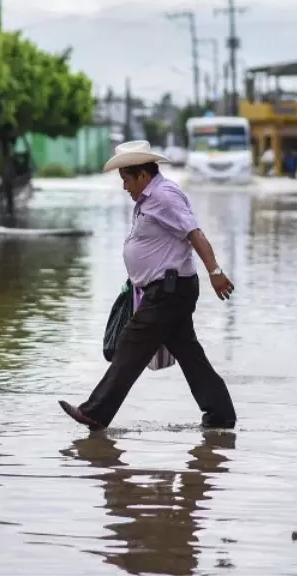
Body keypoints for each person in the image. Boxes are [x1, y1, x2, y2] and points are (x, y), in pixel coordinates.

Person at [59, 141, 237, 431]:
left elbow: (195, 233)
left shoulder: (164, 196)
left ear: (142, 175)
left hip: (169, 291)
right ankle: (220, 414)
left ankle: (96, 412)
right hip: (166, 289)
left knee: (131, 345)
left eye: (127, 179)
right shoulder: (147, 200)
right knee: (190, 354)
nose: (125, 187)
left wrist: (215, 272)